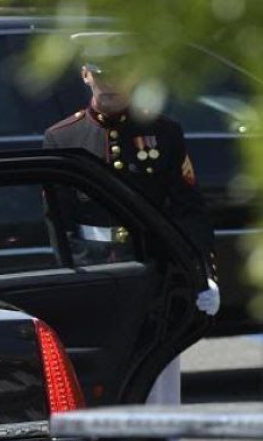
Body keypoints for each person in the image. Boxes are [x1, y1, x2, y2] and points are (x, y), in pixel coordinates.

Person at [43, 33, 221, 408]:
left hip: (154, 270)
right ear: (85, 75)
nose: (110, 83)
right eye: (100, 73)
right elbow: (58, 221)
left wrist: (200, 271)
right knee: (101, 379)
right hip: (96, 271)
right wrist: (68, 277)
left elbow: (188, 207)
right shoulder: (64, 138)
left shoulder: (163, 133)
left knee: (160, 380)